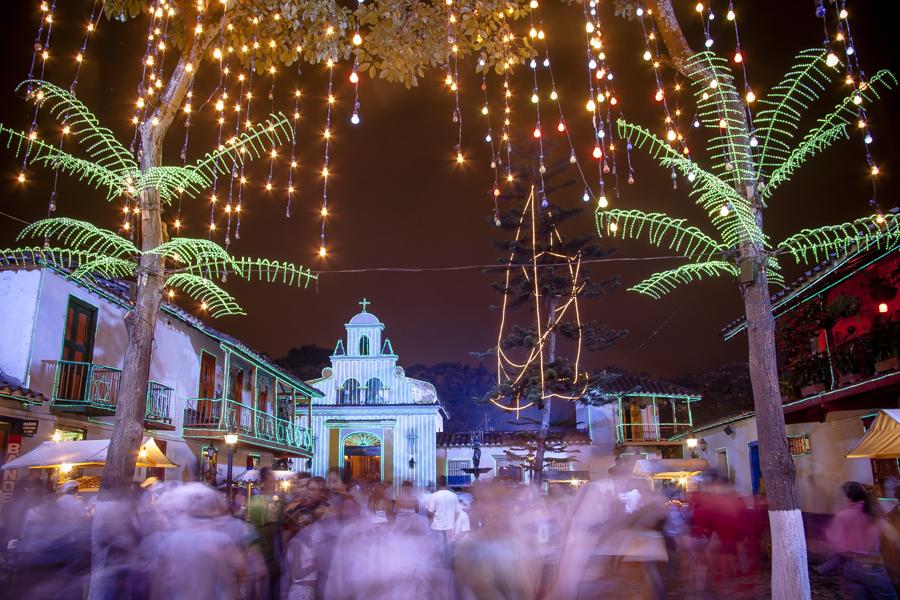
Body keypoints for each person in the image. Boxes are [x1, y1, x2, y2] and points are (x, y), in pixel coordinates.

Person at [826, 481, 899, 600]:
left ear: (847, 497)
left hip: (850, 567)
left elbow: (836, 544)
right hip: (872, 565)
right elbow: (893, 536)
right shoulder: (873, 513)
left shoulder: (842, 516)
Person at [426, 477, 461, 550]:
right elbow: (457, 512)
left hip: (436, 527)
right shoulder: (454, 496)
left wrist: (433, 521)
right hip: (449, 527)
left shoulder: (434, 496)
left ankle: (438, 560)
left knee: (436, 549)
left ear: (437, 484)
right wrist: (453, 522)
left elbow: (430, 513)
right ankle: (447, 561)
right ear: (446, 483)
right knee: (448, 549)